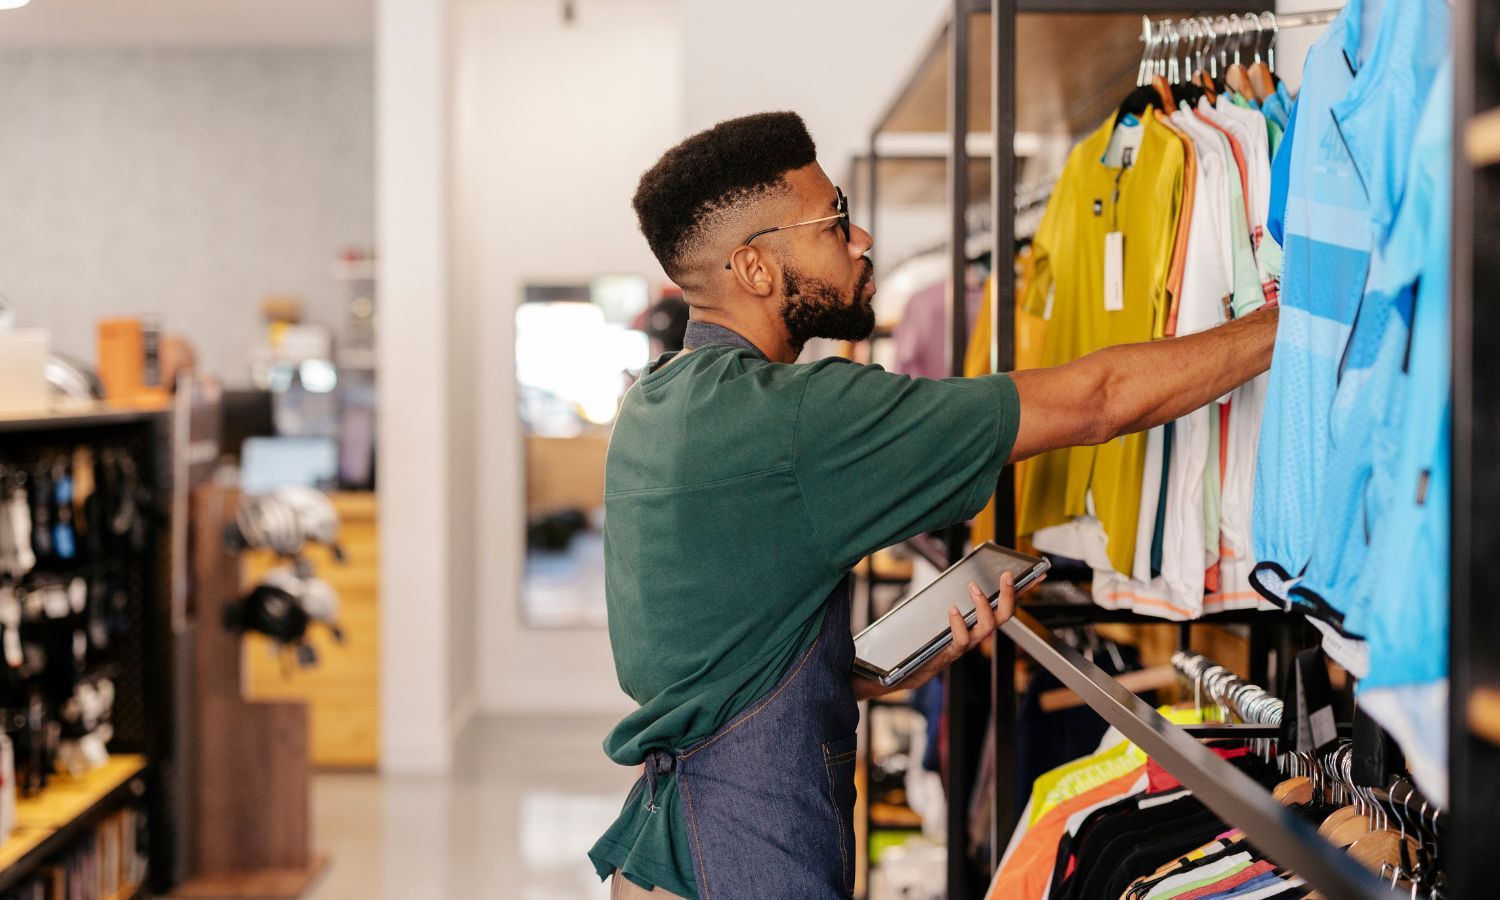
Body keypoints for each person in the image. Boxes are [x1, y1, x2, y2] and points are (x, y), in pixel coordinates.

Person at [588, 112, 1277, 900]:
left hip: (661, 853)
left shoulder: (655, 405)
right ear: (753, 267)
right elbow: (1099, 399)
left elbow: (711, 645)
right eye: (836, 219)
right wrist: (1290, 319)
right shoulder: (796, 419)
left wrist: (861, 672)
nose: (863, 238)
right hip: (748, 856)